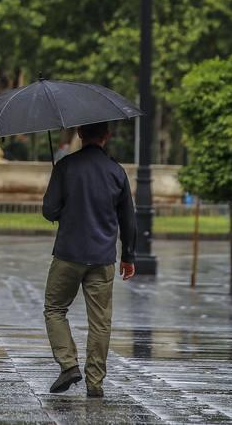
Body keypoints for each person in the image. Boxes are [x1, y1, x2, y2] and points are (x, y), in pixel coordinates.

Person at [41, 120, 136, 398]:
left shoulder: (65, 167)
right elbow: (128, 219)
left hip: (69, 254)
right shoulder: (116, 172)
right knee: (100, 321)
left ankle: (68, 364)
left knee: (55, 309)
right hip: (102, 257)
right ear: (107, 135)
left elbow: (49, 211)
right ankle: (95, 382)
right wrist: (128, 256)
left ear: (80, 134)